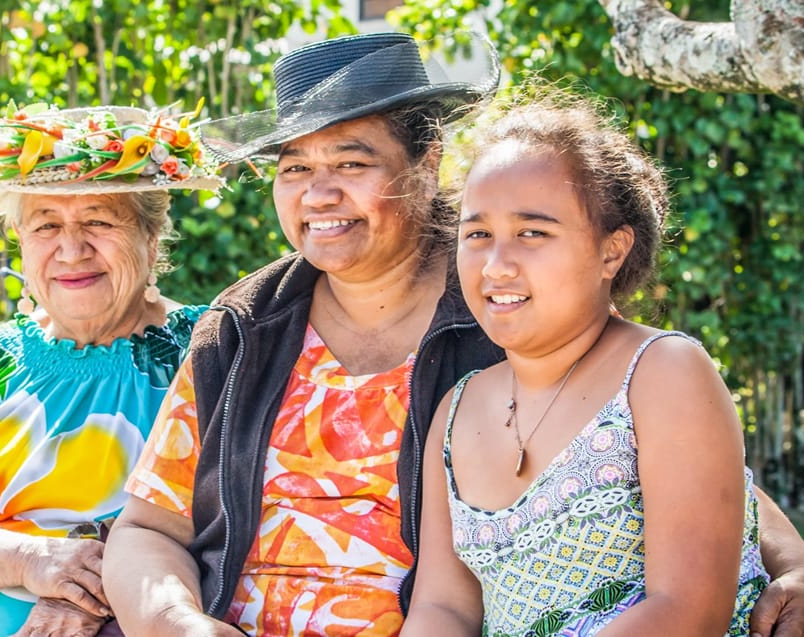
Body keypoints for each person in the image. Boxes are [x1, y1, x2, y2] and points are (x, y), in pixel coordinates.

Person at [102, 32, 804, 637]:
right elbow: (146, 528)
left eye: (350, 163)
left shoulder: (507, 301)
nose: (318, 193)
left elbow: (663, 447)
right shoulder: (246, 325)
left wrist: (793, 564)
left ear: (427, 159)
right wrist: (177, 623)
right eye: (295, 169)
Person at [402, 89, 768, 636]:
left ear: (611, 250)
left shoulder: (662, 374)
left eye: (533, 233)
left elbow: (688, 611)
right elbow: (443, 608)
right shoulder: (456, 412)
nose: (497, 266)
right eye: (478, 234)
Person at [0, 97, 223, 637]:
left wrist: (90, 590)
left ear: (151, 236)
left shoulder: (205, 348)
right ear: (21, 243)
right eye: (45, 225)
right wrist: (38, 562)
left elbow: (226, 519)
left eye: (98, 220)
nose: (71, 249)